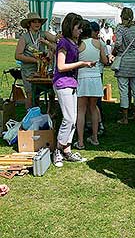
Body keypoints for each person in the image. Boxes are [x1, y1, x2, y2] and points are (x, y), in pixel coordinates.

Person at [52, 13, 94, 167]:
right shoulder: (64, 42)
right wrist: (81, 63)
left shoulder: (73, 42)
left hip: (71, 83)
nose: (80, 31)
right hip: (63, 83)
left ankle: (67, 150)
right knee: (68, 118)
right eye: (78, 28)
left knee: (73, 119)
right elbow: (61, 66)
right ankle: (58, 149)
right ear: (70, 27)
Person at [74, 20, 108, 149]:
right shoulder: (98, 43)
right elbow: (104, 61)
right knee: (93, 108)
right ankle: (95, 137)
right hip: (95, 77)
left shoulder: (78, 44)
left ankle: (81, 141)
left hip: (82, 78)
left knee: (81, 110)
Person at [15, 12, 58, 109]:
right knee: (30, 95)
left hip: (44, 71)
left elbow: (56, 40)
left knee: (51, 92)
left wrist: (53, 41)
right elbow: (18, 55)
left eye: (39, 21)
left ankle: (51, 114)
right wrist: (36, 60)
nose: (37, 24)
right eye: (34, 22)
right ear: (29, 24)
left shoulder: (44, 34)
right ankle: (30, 118)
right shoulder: (24, 37)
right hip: (29, 71)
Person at [112, 7, 135, 124]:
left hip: (124, 63)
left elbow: (118, 43)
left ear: (122, 16)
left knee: (123, 91)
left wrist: (115, 50)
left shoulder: (120, 29)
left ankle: (125, 118)